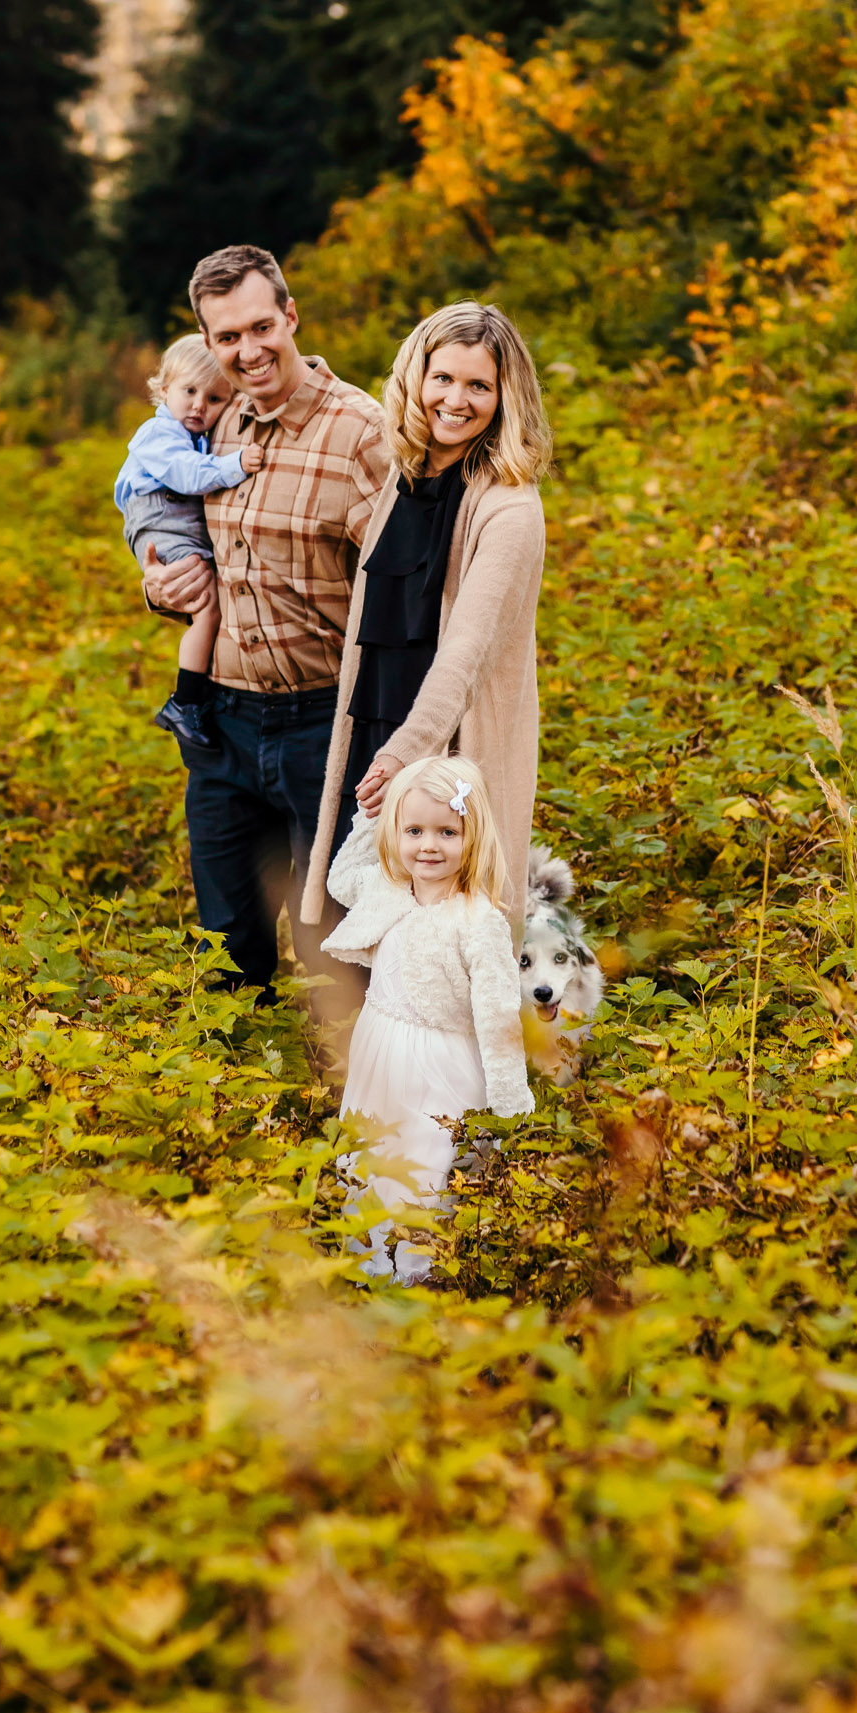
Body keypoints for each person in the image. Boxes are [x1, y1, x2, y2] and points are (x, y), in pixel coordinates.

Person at [140, 243, 391, 1000]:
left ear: (290, 316)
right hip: (221, 721)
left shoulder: (363, 434)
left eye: (260, 328)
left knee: (335, 957)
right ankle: (228, 1106)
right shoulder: (208, 425)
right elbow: (160, 517)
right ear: (208, 343)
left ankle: (345, 1114)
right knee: (225, 949)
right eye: (226, 338)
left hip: (328, 727)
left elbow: (415, 596)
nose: (247, 352)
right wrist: (159, 581)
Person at [299, 300, 551, 943]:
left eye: (478, 385)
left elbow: (465, 651)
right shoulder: (402, 479)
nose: (456, 400)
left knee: (443, 943)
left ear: (506, 396)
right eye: (443, 378)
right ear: (417, 378)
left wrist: (407, 754)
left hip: (446, 748)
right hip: (376, 732)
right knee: (365, 934)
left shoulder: (509, 507)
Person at [324, 755, 533, 1282]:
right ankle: (370, 1266)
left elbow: (499, 1016)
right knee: (374, 1156)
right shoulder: (387, 892)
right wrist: (369, 817)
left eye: (446, 831)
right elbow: (341, 878)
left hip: (442, 1065)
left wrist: (510, 1101)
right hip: (380, 1052)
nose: (428, 846)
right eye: (413, 830)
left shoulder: (478, 921)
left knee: (426, 1167)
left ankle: (421, 1275)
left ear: (472, 836)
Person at [114, 334, 265, 754]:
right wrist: (236, 464)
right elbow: (187, 474)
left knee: (209, 599)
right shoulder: (157, 434)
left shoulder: (192, 432)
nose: (200, 405)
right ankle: (187, 699)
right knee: (208, 608)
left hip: (173, 517)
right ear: (164, 391)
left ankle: (194, 695)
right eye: (189, 391)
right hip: (161, 516)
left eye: (215, 398)